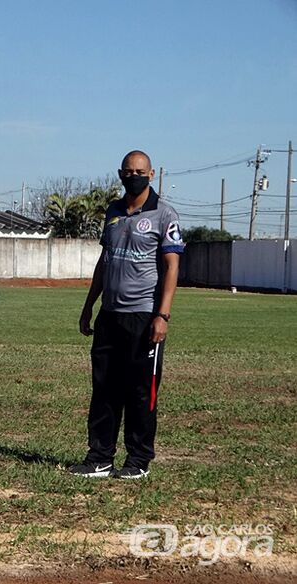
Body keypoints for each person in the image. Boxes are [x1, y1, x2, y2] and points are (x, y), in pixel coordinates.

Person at [69, 150, 184, 479]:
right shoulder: (114, 212)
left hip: (144, 317)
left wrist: (163, 315)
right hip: (110, 315)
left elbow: (172, 266)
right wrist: (89, 304)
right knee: (104, 387)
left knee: (139, 390)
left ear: (151, 175)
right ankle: (100, 457)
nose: (133, 176)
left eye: (140, 171)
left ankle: (138, 460)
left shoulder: (165, 214)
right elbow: (104, 263)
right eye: (128, 171)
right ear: (120, 174)